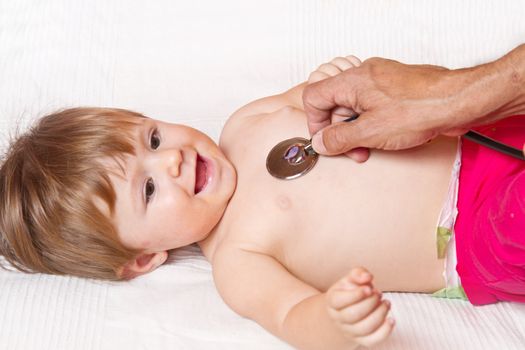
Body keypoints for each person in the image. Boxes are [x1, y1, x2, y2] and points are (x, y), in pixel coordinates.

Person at [1, 55, 524, 350]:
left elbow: (316, 94)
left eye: (153, 140)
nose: (173, 162)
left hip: (478, 131)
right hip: (476, 232)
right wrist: (334, 319)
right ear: (143, 258)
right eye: (149, 190)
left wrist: (331, 80)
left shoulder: (244, 122)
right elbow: (293, 315)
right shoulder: (237, 259)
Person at [302, 44, 525, 162]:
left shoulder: (267, 111)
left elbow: (307, 98)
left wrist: (329, 76)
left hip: (481, 136)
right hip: (478, 221)